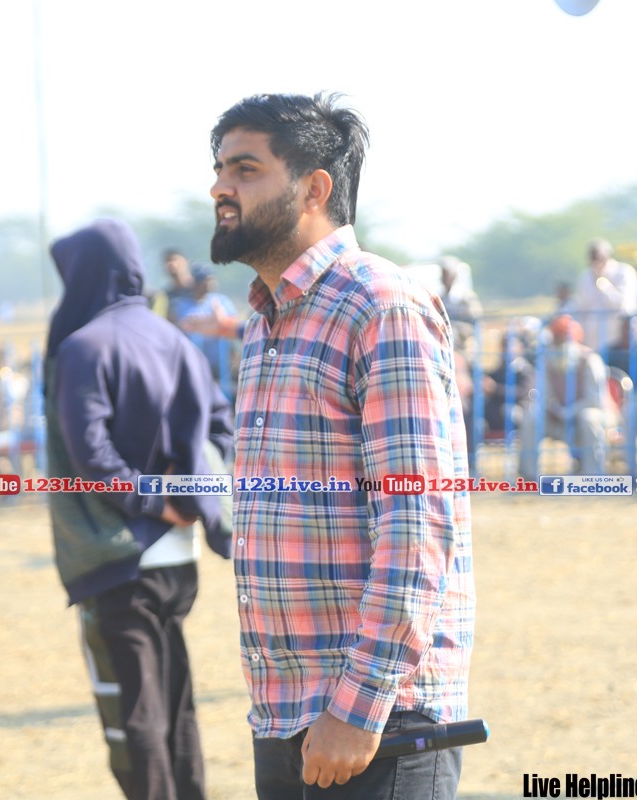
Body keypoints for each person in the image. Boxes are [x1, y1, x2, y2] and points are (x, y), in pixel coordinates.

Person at [209, 92, 474, 799]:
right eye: (219, 169)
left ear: (314, 188)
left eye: (245, 169)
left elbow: (419, 519)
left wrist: (359, 709)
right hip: (288, 711)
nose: (220, 188)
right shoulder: (265, 320)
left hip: (376, 721)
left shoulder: (379, 303)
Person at [45, 219, 234, 800]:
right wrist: (194, 497)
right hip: (178, 561)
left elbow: (93, 457)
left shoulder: (83, 346)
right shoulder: (174, 340)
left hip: (119, 556)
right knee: (175, 702)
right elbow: (222, 429)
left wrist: (156, 500)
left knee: (134, 716)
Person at [518, 315, 618, 477]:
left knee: (589, 418)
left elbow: (594, 400)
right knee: (532, 416)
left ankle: (592, 475)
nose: (560, 343)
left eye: (563, 338)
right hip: (559, 419)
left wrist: (569, 412)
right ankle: (529, 476)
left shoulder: (590, 360)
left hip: (595, 416)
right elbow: (544, 395)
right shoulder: (547, 360)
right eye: (556, 338)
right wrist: (554, 409)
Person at [570, 238, 637, 352]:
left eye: (599, 258)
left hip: (616, 343)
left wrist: (602, 283)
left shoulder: (624, 272)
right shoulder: (585, 277)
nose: (596, 262)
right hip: (590, 342)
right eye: (593, 258)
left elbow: (623, 306)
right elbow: (581, 307)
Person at [176, 263, 239, 385]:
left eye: (212, 279)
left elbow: (231, 325)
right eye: (205, 280)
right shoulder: (183, 304)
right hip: (194, 363)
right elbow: (183, 326)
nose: (210, 283)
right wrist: (212, 319)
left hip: (220, 364)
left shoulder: (221, 301)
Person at [438, 256, 482, 323]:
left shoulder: (467, 296)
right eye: (443, 275)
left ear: (454, 276)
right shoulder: (441, 297)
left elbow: (474, 315)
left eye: (446, 274)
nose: (444, 278)